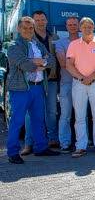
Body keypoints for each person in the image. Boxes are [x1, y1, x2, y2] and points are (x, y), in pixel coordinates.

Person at [6, 16, 59, 164]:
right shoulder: (14, 46)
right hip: (20, 89)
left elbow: (52, 61)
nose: (28, 30)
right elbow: (25, 65)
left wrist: (39, 62)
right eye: (25, 28)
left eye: (30, 28)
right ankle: (12, 152)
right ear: (18, 28)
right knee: (17, 121)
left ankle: (41, 147)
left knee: (38, 119)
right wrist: (38, 63)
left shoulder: (37, 44)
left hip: (38, 87)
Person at [65, 17, 95, 158]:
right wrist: (81, 78)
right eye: (84, 27)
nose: (87, 29)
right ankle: (80, 146)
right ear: (80, 28)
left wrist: (90, 77)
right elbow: (69, 65)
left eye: (89, 27)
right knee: (79, 117)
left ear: (93, 28)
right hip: (79, 84)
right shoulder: (73, 44)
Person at [22, 10, 60, 154]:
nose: (40, 22)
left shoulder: (54, 37)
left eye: (42, 19)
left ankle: (52, 139)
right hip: (33, 82)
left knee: (51, 111)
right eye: (37, 20)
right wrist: (42, 62)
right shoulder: (28, 39)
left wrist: (42, 62)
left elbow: (53, 60)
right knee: (30, 113)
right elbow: (26, 61)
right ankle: (28, 143)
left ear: (47, 21)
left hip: (51, 79)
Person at [54, 16, 80, 153]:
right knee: (65, 115)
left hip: (82, 83)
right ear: (66, 26)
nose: (72, 27)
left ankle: (82, 141)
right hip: (67, 83)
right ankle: (65, 143)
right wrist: (82, 63)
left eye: (75, 24)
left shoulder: (85, 41)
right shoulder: (60, 43)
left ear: (79, 26)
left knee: (82, 115)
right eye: (70, 25)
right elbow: (63, 63)